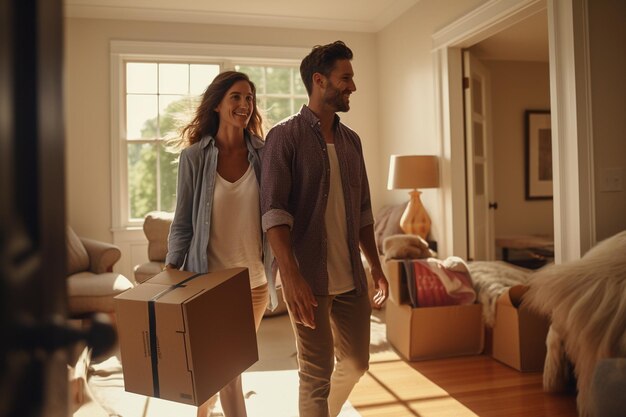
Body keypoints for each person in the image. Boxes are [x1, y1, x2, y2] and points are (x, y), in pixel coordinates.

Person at [260, 41, 389, 417]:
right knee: (315, 376)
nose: (352, 86)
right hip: (307, 280)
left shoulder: (352, 143)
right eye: (345, 78)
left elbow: (363, 212)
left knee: (356, 362)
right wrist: (291, 276)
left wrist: (376, 267)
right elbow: (274, 213)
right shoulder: (285, 137)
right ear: (320, 80)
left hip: (351, 276)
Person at [165, 71, 277, 417]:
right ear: (216, 104)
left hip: (254, 283)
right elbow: (183, 221)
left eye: (249, 98)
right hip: (208, 283)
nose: (245, 104)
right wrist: (170, 272)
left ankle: (204, 412)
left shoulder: (265, 153)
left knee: (226, 369)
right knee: (224, 370)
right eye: (236, 97)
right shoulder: (195, 158)